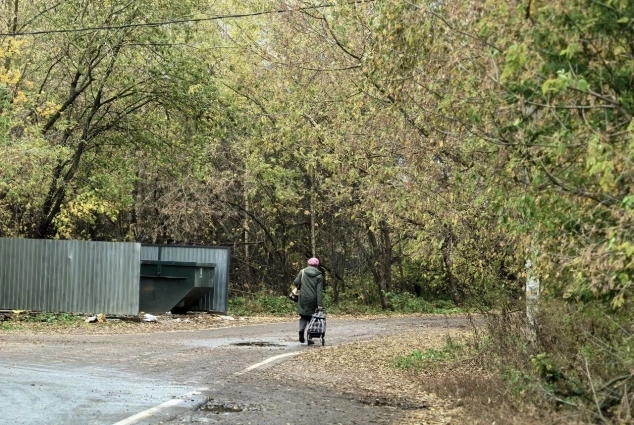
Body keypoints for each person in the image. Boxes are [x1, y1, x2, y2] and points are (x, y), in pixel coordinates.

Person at [293, 257, 324, 345]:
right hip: (313, 299)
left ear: (308, 264)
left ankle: (301, 330)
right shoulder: (319, 275)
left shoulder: (302, 272)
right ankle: (309, 338)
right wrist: (319, 304)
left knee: (303, 315)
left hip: (303, 297)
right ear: (317, 265)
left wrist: (302, 285)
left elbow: (296, 282)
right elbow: (319, 291)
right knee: (312, 317)